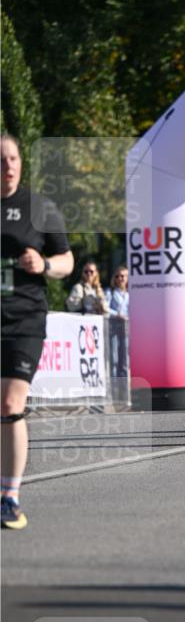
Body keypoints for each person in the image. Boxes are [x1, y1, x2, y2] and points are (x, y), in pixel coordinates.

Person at [1, 133, 74, 529]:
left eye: (12, 159)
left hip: (24, 318)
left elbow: (67, 260)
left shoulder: (38, 207)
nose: (8, 166)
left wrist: (44, 265)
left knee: (11, 403)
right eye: (0, 160)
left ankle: (9, 497)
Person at [105, 265, 130, 380]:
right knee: (114, 358)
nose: (120, 278)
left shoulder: (130, 293)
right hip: (114, 327)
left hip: (126, 329)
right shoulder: (110, 292)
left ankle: (124, 389)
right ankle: (114, 387)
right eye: (117, 276)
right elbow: (105, 308)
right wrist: (117, 314)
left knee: (125, 359)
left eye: (123, 276)